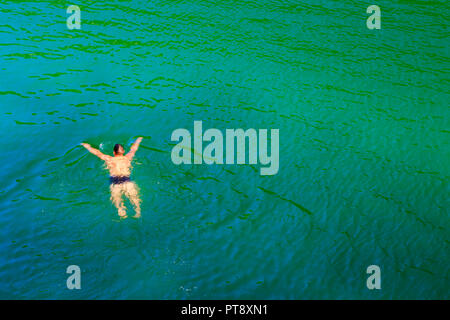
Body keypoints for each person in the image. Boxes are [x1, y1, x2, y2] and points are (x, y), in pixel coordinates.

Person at [81, 137, 143, 219]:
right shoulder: (128, 157)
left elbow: (97, 152)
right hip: (127, 180)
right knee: (134, 198)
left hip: (115, 181)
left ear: (114, 152)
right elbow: (133, 149)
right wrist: (138, 140)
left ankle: (121, 211)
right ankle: (138, 211)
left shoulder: (109, 159)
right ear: (123, 151)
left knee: (117, 200)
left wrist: (86, 146)